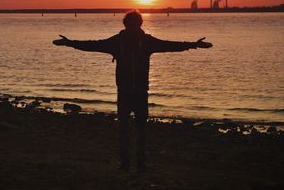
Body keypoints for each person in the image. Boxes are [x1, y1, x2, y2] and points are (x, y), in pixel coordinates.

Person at [53, 10, 212, 172]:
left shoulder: (147, 41)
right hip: (124, 93)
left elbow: (170, 45)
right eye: (130, 25)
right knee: (123, 130)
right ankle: (125, 164)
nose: (133, 28)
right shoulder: (117, 41)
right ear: (125, 25)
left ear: (140, 24)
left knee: (141, 130)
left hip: (141, 93)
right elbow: (93, 45)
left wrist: (194, 45)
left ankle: (141, 164)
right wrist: (69, 43)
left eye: (135, 24)